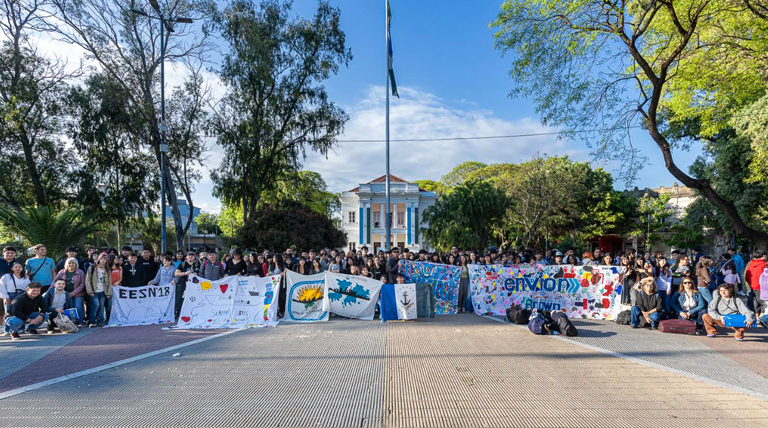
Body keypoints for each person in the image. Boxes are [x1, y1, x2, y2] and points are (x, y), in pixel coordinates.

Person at [52, 258, 86, 325]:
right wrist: (49, 290)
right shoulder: (62, 272)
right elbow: (55, 282)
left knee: (78, 306)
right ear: (66, 264)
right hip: (64, 293)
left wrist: (74, 292)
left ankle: (79, 321)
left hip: (77, 293)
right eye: (69, 263)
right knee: (67, 307)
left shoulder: (80, 272)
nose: (71, 264)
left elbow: (82, 283)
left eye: (73, 263)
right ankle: (69, 321)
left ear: (76, 264)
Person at [85, 253, 112, 327]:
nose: (103, 261)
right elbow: (87, 280)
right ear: (99, 259)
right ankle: (92, 321)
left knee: (101, 306)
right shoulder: (92, 268)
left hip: (103, 291)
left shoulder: (107, 269)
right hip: (94, 290)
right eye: (102, 259)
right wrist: (90, 291)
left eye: (105, 259)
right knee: (96, 305)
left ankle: (100, 321)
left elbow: (109, 281)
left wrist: (108, 292)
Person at [744, 250, 767, 324]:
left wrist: (750, 284)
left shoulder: (750, 263)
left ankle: (756, 317)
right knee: (763, 302)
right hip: (762, 287)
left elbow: (747, 275)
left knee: (755, 302)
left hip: (752, 286)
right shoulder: (764, 264)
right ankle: (762, 317)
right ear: (763, 256)